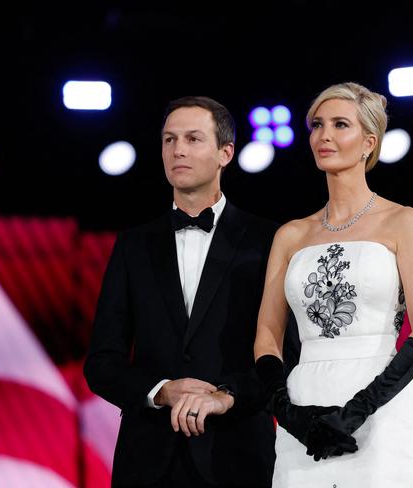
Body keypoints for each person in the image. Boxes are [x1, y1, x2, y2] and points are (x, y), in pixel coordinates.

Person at [253, 82, 413, 487]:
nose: (324, 136)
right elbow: (267, 337)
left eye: (340, 125)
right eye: (317, 125)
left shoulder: (403, 222)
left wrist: (359, 410)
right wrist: (291, 415)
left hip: (383, 402)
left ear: (368, 142)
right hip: (306, 405)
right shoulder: (291, 235)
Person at [84, 95, 299, 488]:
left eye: (193, 139)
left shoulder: (269, 241)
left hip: (237, 457)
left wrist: (226, 395)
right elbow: (101, 363)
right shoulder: (133, 245)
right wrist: (162, 391)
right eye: (169, 140)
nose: (178, 149)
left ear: (226, 153)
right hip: (147, 461)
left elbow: (289, 354)